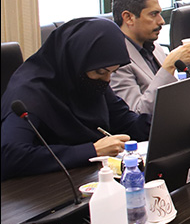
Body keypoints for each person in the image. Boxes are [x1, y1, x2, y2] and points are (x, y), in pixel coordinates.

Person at [1, 18, 151, 180]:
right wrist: (92, 150)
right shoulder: (29, 94)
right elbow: (11, 155)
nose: (107, 80)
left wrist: (161, 125)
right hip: (39, 187)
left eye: (111, 73)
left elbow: (124, 121)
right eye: (101, 72)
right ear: (76, 61)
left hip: (86, 178)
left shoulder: (87, 79)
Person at [109, 0, 190, 114]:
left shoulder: (154, 46)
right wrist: (169, 66)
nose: (161, 21)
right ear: (128, 18)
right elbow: (137, 114)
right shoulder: (116, 61)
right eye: (153, 14)